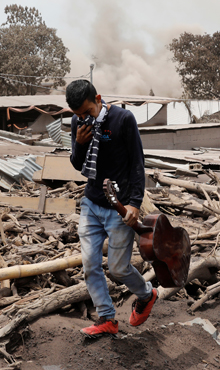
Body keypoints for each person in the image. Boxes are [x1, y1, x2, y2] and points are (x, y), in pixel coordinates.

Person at [67, 79, 157, 338]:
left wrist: (134, 203)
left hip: (119, 206)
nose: (83, 118)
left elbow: (137, 164)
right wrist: (80, 143)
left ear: (98, 98)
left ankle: (146, 294)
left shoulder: (123, 119)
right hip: (92, 202)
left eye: (87, 112)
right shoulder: (78, 124)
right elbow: (77, 164)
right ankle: (106, 318)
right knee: (89, 264)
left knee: (118, 269)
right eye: (78, 115)